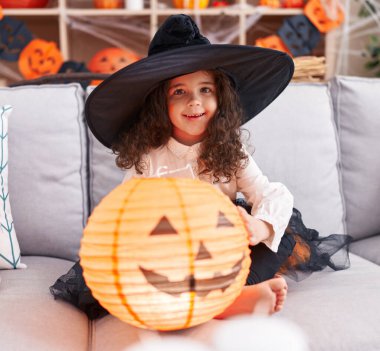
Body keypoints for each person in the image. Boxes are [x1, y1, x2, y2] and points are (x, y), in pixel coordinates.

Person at [51, 14, 351, 321]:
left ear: (221, 97)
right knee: (133, 270)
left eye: (205, 90)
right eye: (179, 92)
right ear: (159, 104)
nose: (195, 102)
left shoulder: (231, 149)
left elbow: (271, 193)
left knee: (283, 235)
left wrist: (259, 226)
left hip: (221, 250)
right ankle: (224, 303)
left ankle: (226, 295)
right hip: (171, 253)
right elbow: (122, 216)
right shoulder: (149, 158)